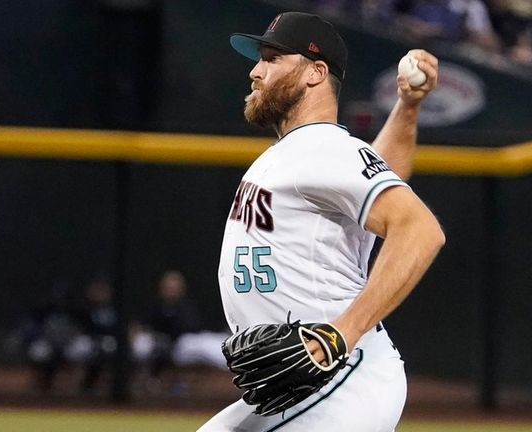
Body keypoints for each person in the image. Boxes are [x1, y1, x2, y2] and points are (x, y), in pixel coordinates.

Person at [197, 11, 445, 432]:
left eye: (273, 58)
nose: (256, 71)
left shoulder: (321, 147)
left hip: (340, 376)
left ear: (315, 72)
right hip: (304, 382)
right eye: (259, 58)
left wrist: (341, 334)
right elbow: (382, 172)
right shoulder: (310, 152)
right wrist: (406, 108)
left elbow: (420, 230)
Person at [131, 270, 227, 390]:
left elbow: (194, 331)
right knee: (142, 343)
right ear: (161, 287)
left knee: (206, 342)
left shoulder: (186, 307)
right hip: (158, 344)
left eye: (175, 287)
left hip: (183, 345)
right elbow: (139, 327)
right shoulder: (153, 306)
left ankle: (233, 361)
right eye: (169, 287)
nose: (172, 290)